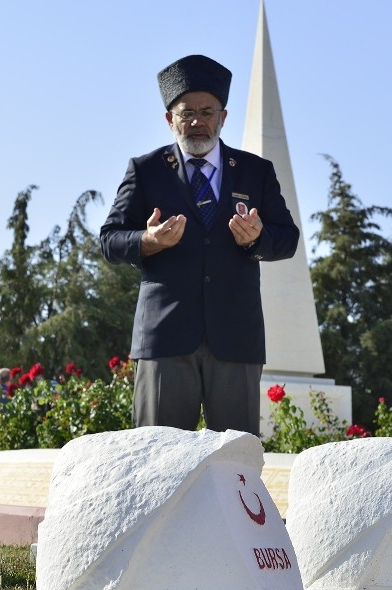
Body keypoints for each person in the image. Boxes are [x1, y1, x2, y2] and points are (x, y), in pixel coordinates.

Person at [100, 54, 299, 435]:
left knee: (236, 467)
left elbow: (286, 239)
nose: (196, 121)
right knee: (157, 464)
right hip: (165, 338)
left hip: (235, 338)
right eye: (185, 112)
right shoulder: (146, 171)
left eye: (207, 111)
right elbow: (109, 239)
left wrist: (257, 238)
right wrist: (147, 240)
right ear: (168, 119)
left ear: (223, 117)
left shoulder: (256, 171)